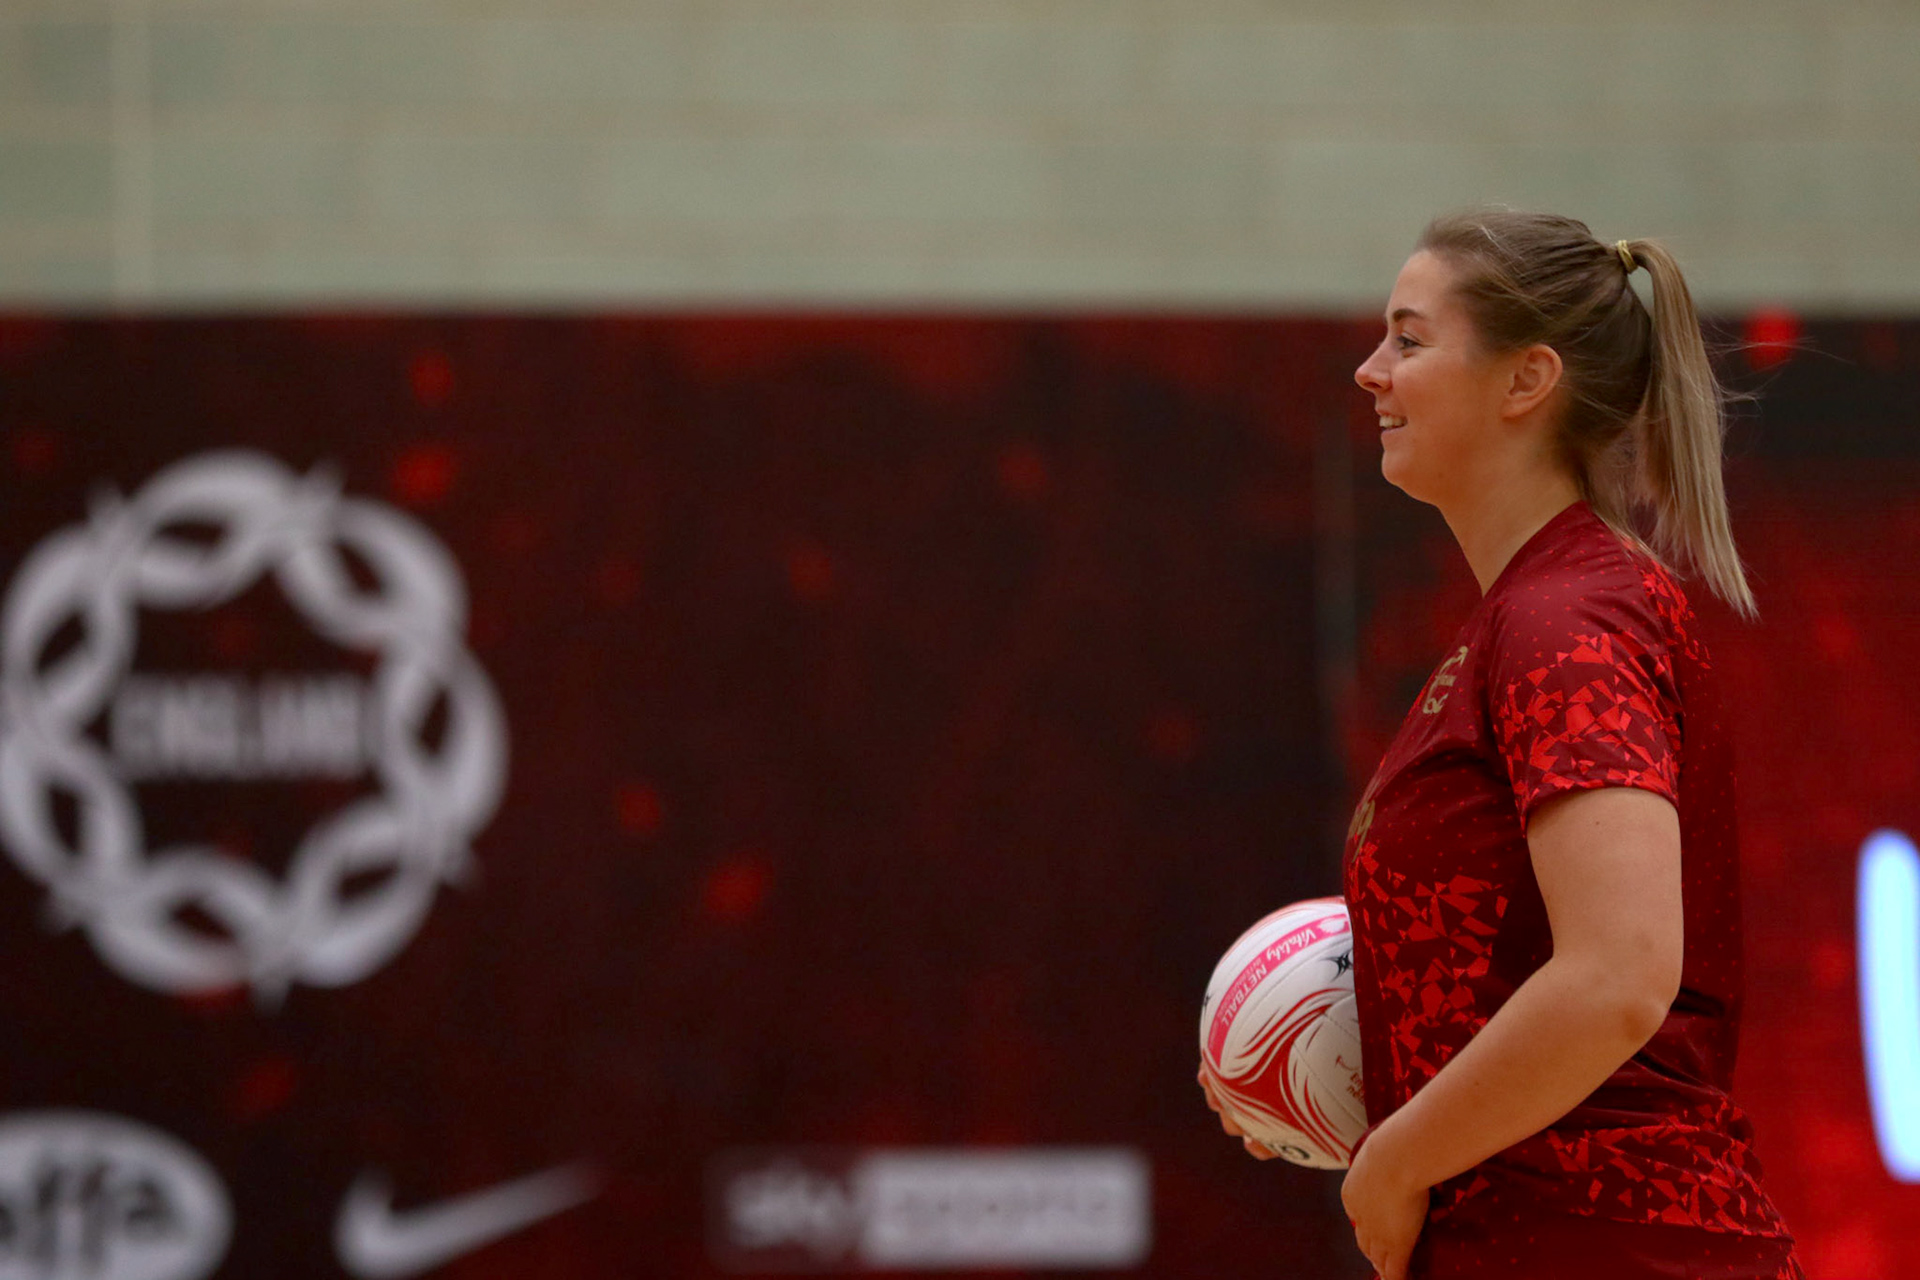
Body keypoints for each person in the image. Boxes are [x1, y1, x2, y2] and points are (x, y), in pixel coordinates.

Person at [1199, 209, 1803, 1280]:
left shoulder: (1565, 618)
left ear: (1527, 381)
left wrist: (1391, 1162)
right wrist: (1317, 1076)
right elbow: (1513, 970)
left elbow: (1621, 973)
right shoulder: (1525, 617)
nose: (1369, 370)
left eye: (1409, 339)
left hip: (1616, 1247)